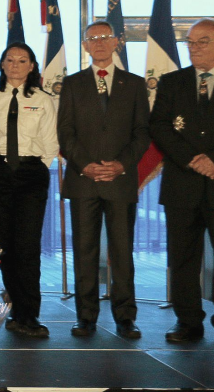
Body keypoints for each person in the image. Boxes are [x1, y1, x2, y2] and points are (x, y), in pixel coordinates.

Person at [150, 18, 214, 347]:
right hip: (183, 184)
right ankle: (188, 320)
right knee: (182, 258)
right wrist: (192, 159)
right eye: (191, 43)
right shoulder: (171, 81)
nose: (195, 48)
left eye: (202, 41)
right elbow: (160, 126)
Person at [57, 21, 150, 339]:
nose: (98, 43)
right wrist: (85, 165)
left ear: (117, 43)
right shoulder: (71, 84)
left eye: (104, 37)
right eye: (91, 38)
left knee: (122, 251)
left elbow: (142, 132)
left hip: (120, 181)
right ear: (84, 45)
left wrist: (122, 165)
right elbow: (65, 132)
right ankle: (86, 317)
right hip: (84, 180)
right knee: (84, 250)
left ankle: (125, 316)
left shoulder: (135, 84)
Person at [0, 43, 58, 338]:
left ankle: (29, 315)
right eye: (9, 59)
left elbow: (50, 143)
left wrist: (35, 169)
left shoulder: (43, 99)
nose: (15, 64)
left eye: (22, 60)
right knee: (5, 246)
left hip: (31, 174)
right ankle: (14, 309)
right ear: (2, 65)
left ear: (31, 66)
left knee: (27, 246)